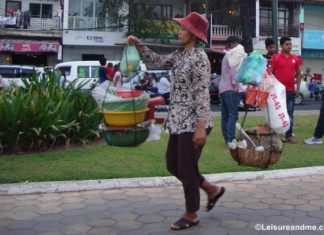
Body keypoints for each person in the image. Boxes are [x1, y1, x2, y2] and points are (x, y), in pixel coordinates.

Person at [127, 12, 225, 231]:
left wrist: (200, 128)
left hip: (194, 122)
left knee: (186, 168)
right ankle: (211, 189)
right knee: (173, 164)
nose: (179, 32)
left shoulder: (199, 58)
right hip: (179, 120)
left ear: (193, 34)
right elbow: (157, 61)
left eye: (183, 29)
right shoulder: (182, 54)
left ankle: (191, 213)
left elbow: (202, 94)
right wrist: (139, 45)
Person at [270, 36, 302, 144]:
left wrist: (297, 88)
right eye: (287, 44)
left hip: (290, 91)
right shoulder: (275, 57)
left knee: (290, 114)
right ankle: (275, 135)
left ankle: (289, 136)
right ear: (281, 46)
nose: (289, 46)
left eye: (290, 44)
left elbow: (298, 74)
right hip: (278, 92)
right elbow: (270, 73)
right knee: (276, 113)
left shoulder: (296, 58)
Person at [219, 36, 247, 147]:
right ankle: (231, 139)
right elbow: (233, 73)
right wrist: (236, 87)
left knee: (225, 116)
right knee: (233, 115)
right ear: (234, 44)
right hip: (231, 88)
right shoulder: (233, 55)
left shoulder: (227, 55)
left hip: (223, 88)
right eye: (238, 44)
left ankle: (227, 140)